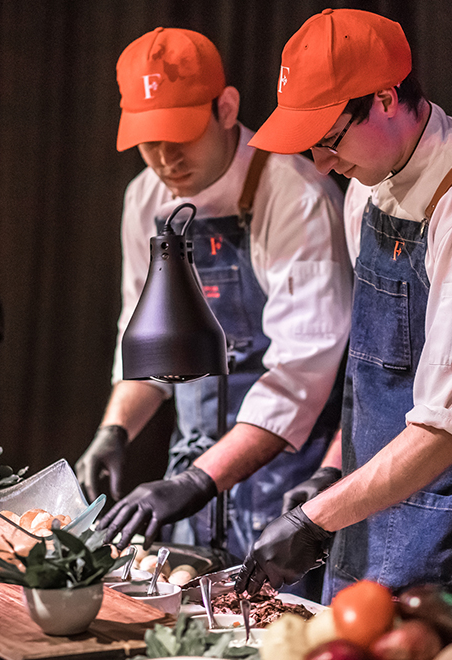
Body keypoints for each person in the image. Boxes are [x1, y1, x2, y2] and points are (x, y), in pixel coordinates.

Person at [233, 8, 452, 613]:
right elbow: (374, 378)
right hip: (367, 504)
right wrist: (331, 472)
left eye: (329, 140)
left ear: (385, 97)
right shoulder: (366, 185)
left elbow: (447, 428)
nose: (322, 165)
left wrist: (314, 520)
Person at [80, 27, 351, 577]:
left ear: (226, 108)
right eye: (147, 140)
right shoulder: (145, 200)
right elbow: (146, 343)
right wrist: (114, 432)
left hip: (289, 477)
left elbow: (302, 374)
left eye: (179, 134)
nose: (163, 158)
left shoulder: (295, 196)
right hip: (189, 479)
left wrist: (197, 481)